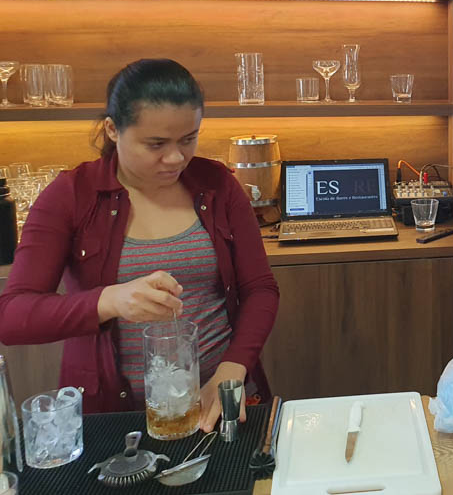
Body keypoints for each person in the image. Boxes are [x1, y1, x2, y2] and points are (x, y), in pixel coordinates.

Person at [0, 59, 279, 431]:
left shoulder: (217, 184)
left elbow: (260, 288)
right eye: (156, 144)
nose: (176, 158)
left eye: (188, 139)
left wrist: (233, 368)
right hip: (116, 418)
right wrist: (108, 301)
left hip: (219, 401)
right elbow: (11, 316)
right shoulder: (72, 195)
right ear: (113, 129)